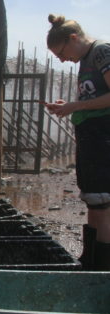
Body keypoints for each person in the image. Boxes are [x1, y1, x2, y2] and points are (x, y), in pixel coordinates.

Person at [45, 14, 110, 270]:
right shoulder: (86, 60)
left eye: (61, 52)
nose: (61, 60)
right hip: (91, 137)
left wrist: (76, 106)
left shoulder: (102, 52)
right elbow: (94, 98)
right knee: (94, 201)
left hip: (103, 138)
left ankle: (101, 270)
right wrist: (70, 106)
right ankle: (88, 260)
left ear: (73, 38)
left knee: (103, 205)